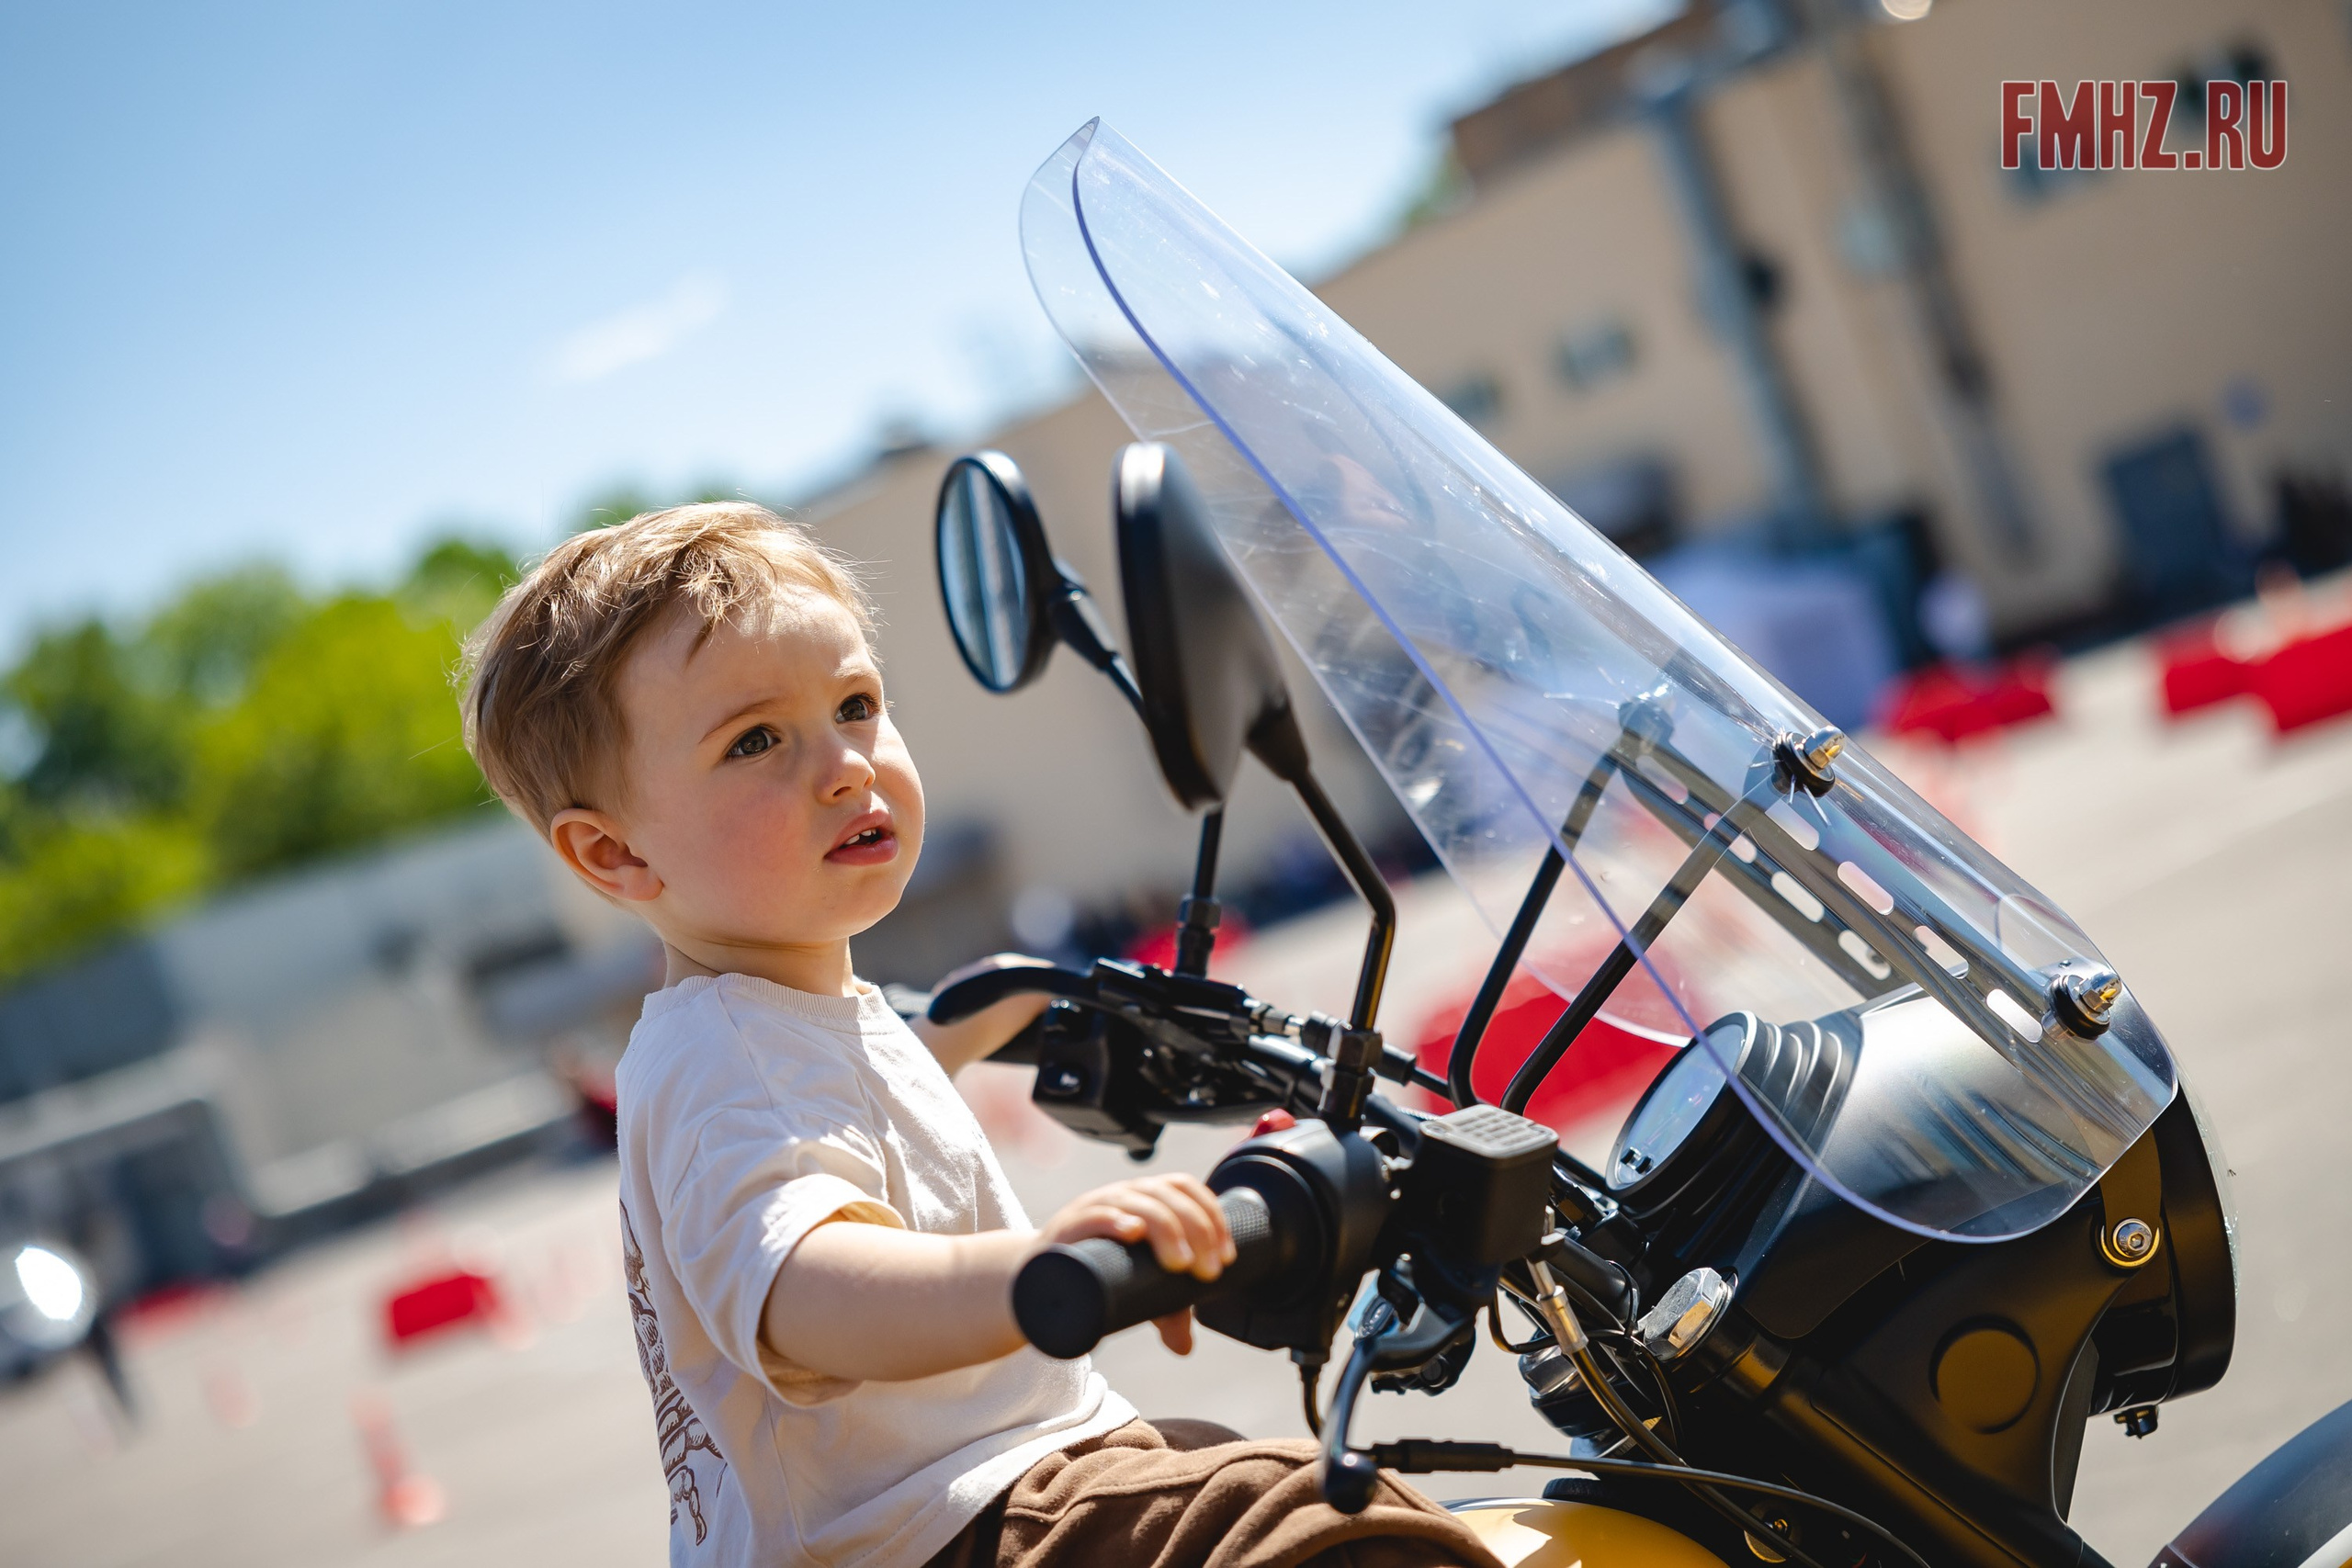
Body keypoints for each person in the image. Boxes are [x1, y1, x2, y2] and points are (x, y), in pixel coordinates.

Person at [458, 503, 1501, 1568]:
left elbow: (862, 1092)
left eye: (856, 704)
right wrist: (1036, 1270)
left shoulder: (782, 1017)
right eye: (757, 740)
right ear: (614, 857)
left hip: (998, 1492)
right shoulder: (724, 1059)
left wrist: (984, 1017)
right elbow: (803, 1284)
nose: (845, 766)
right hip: (936, 1528)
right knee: (1330, 1531)